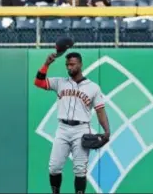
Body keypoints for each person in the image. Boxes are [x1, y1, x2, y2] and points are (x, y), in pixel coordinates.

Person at [34, 52, 110, 194]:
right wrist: (46, 64)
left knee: (80, 169)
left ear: (80, 65)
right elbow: (38, 82)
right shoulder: (60, 82)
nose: (69, 67)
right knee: (54, 167)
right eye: (67, 64)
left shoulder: (93, 87)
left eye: (72, 64)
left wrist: (107, 131)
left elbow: (100, 111)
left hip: (81, 129)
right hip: (62, 128)